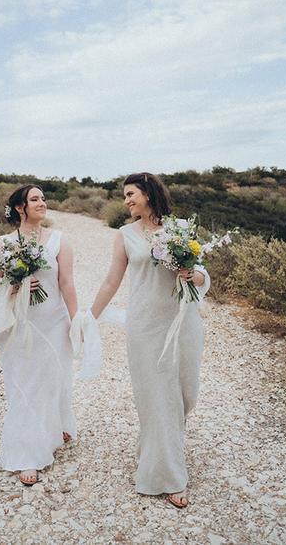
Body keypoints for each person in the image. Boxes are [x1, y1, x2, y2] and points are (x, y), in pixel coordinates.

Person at [90, 172, 210, 508]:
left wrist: (193, 273)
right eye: (125, 196)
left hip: (183, 322)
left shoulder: (180, 229)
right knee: (158, 397)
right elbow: (112, 281)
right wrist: (89, 316)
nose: (126, 201)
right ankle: (169, 475)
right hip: (145, 326)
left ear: (148, 193)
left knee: (186, 394)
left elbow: (201, 273)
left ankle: (155, 447)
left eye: (131, 194)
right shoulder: (125, 235)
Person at [0, 185, 78, 486]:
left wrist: (77, 320)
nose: (42, 202)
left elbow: (67, 283)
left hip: (53, 320)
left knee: (53, 377)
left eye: (43, 198)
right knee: (25, 382)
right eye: (35, 199)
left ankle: (55, 428)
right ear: (19, 208)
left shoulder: (59, 240)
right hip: (21, 323)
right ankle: (27, 451)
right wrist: (16, 287)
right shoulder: (3, 243)